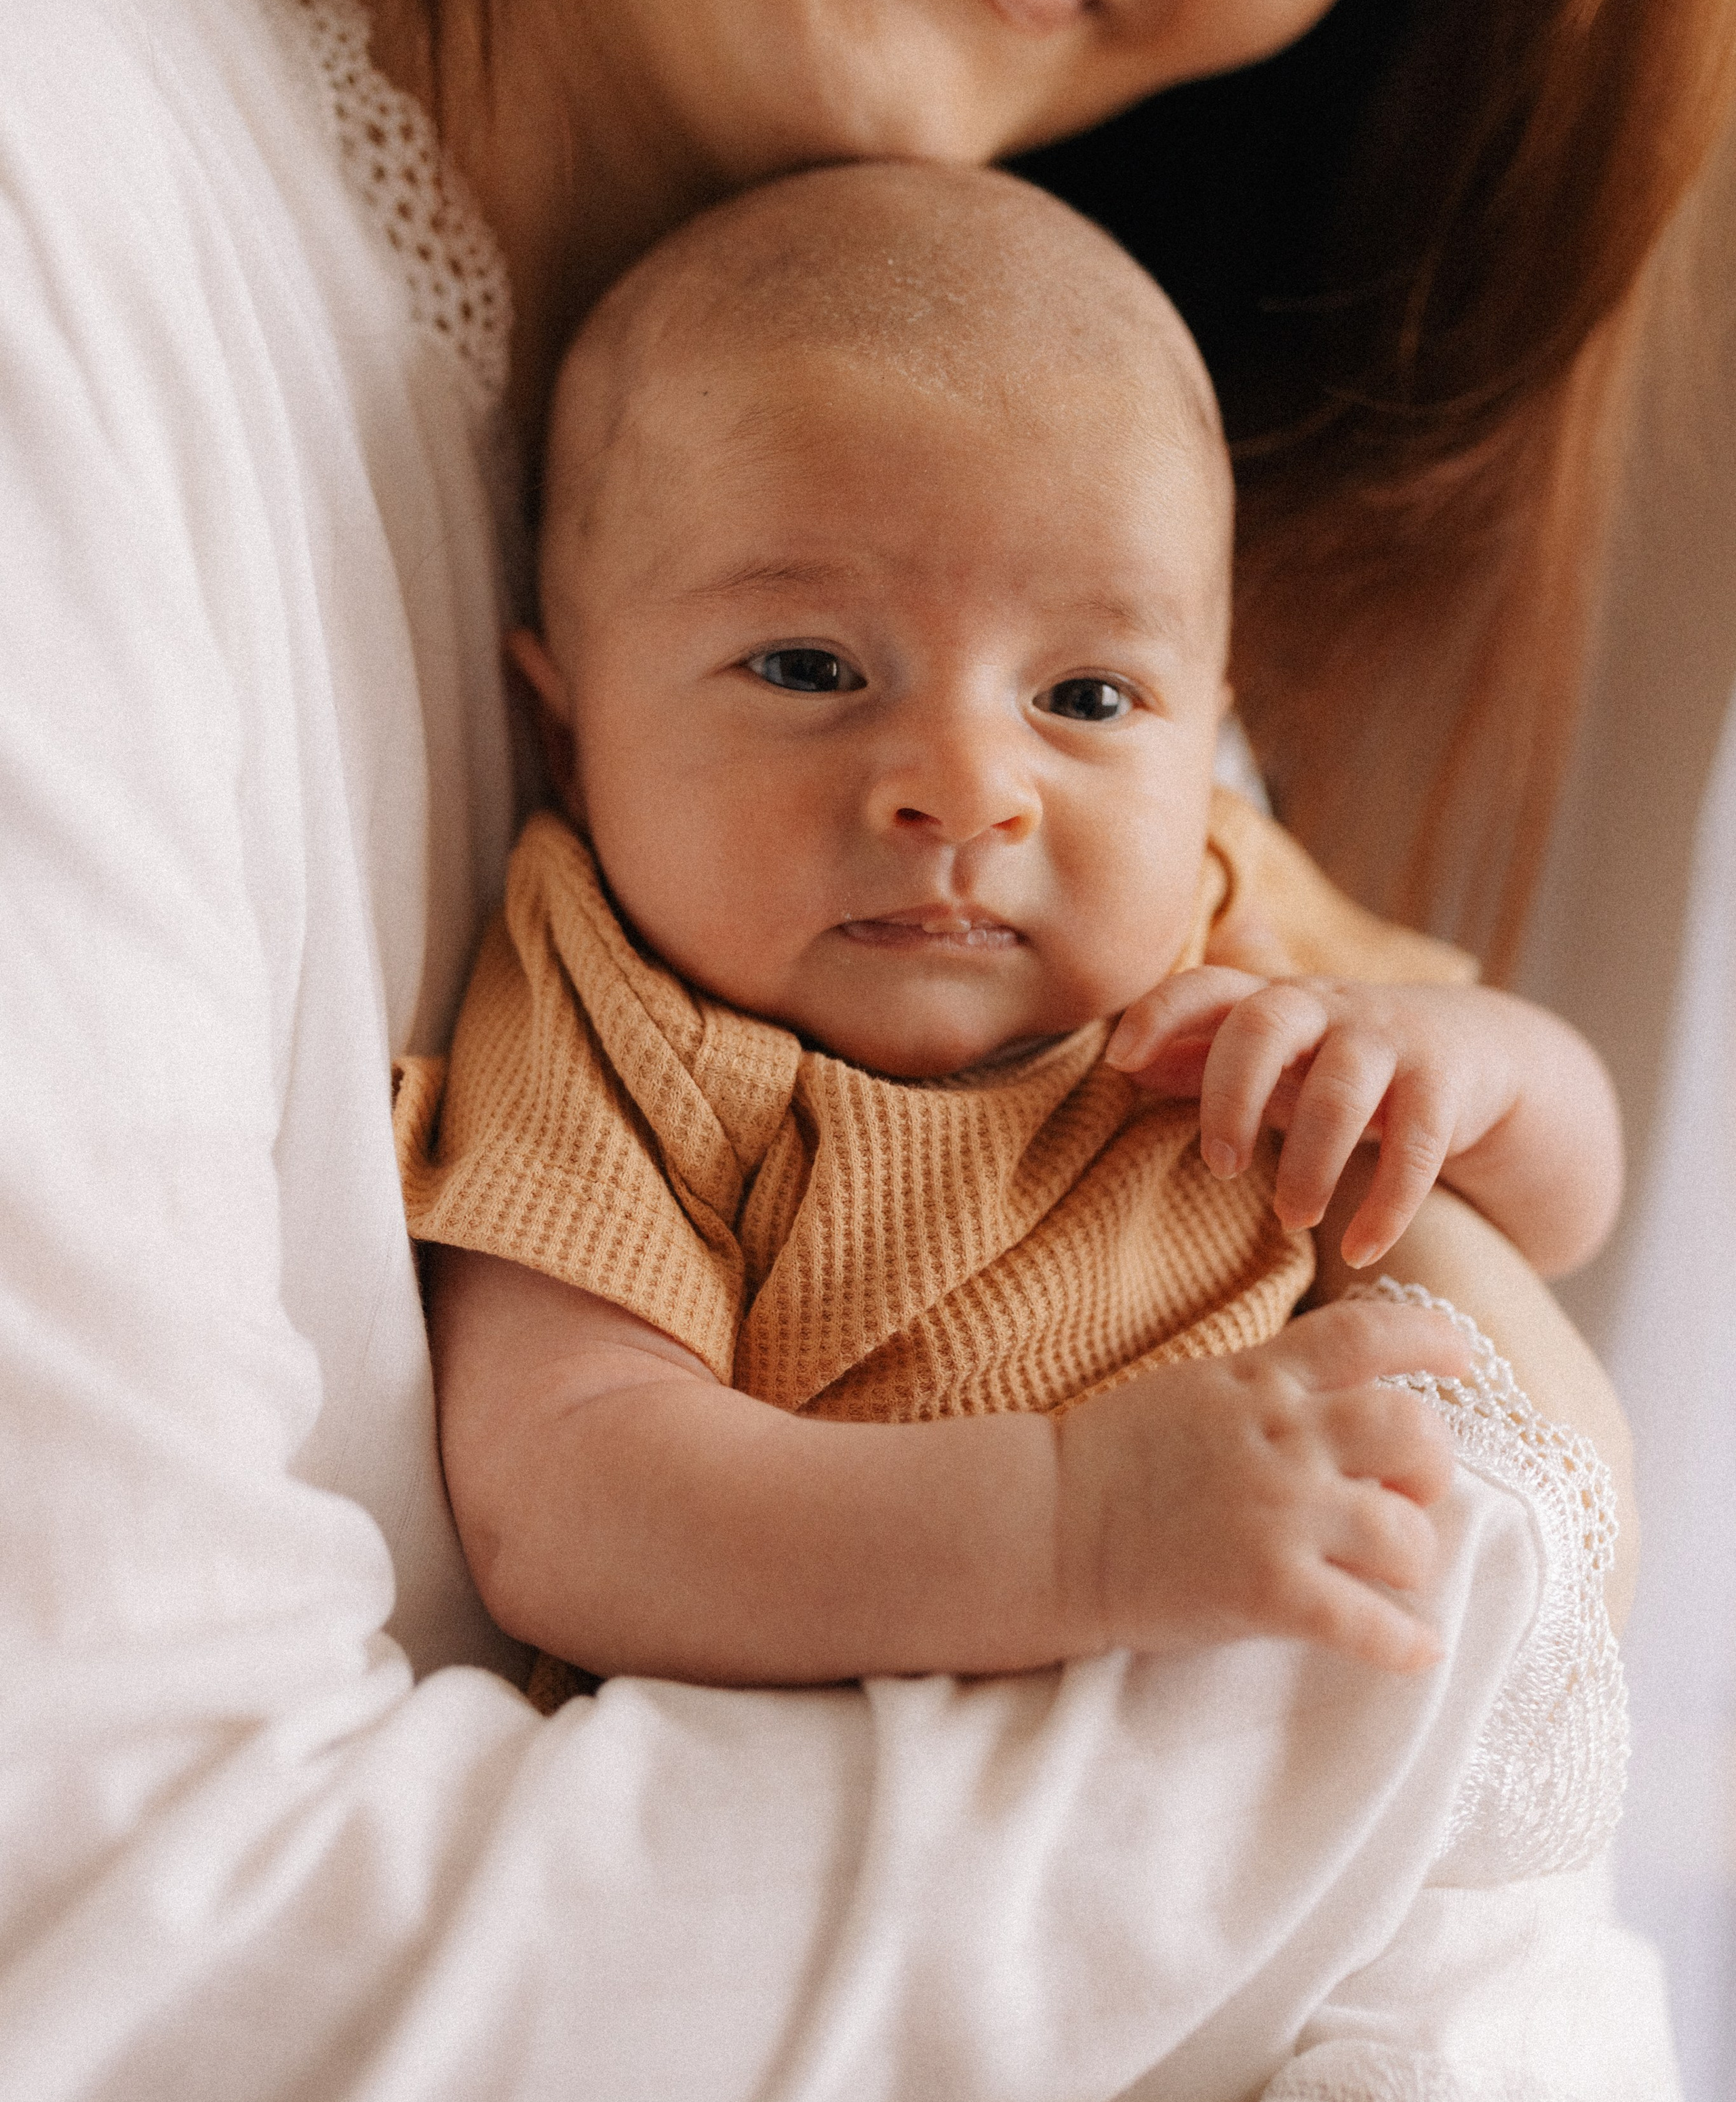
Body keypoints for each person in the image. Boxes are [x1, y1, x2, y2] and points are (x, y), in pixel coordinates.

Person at [5, 0, 1735, 2102]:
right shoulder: (69, 195)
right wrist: (1468, 1602)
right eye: (803, 664)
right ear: (570, 679)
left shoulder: (1072, 670)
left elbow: (1506, 1167)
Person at [401, 158, 1623, 1705]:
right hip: (836, 1810)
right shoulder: (614, 1002)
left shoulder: (1225, 913)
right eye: (805, 666)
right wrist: (1077, 1526)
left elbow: (1566, 1200)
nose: (969, 792)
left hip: (1272, 1769)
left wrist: (1461, 1069)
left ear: (1203, 746)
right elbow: (561, 1497)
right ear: (567, 735)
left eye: (1087, 700)